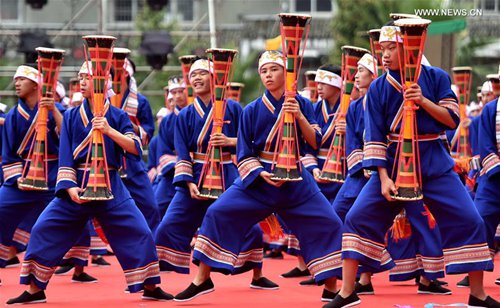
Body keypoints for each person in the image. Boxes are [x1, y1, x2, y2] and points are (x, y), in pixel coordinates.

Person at [327, 25, 498, 308]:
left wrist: (422, 101)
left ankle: (477, 294)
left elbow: (452, 119)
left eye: (391, 48)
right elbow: (375, 135)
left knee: (472, 220)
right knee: (356, 217)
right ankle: (347, 292)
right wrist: (382, 178)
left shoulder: (436, 78)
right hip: (393, 166)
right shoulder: (379, 88)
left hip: (434, 163)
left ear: (410, 48)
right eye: (381, 49)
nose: (384, 55)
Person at [173, 51, 343, 303]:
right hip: (259, 180)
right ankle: (202, 279)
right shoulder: (252, 109)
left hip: (296, 179)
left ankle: (331, 286)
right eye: (263, 71)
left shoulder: (305, 104)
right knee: (217, 211)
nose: (267, 76)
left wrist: (297, 115)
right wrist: (261, 172)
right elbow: (244, 152)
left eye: (273, 70)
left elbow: (315, 141)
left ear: (286, 74)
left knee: (329, 222)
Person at [6, 62, 173, 305]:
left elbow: (136, 147)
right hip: (77, 185)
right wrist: (69, 187)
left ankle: (149, 285)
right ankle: (34, 289)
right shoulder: (72, 115)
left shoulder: (117, 116)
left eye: (88, 77)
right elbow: (65, 155)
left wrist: (109, 131)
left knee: (140, 231)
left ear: (104, 83)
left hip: (111, 185)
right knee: (44, 228)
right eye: (80, 77)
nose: (82, 81)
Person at [154, 59, 276, 294]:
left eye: (202, 73)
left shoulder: (234, 108)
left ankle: (257, 274)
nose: (197, 78)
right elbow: (181, 152)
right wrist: (187, 181)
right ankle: (154, 281)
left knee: (250, 227)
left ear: (215, 78)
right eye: (193, 75)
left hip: (227, 171)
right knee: (169, 223)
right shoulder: (186, 115)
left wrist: (230, 141)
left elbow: (252, 143)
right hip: (196, 174)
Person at [0, 65, 62, 270]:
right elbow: (8, 153)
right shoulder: (13, 116)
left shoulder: (57, 110)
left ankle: (75, 263)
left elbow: (68, 138)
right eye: (15, 80)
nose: (16, 84)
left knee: (75, 218)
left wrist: (53, 109)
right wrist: (18, 179)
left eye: (21, 80)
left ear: (36, 85)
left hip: (52, 176)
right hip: (21, 178)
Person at [154, 76, 188, 217]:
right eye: (174, 92)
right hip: (172, 173)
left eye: (181, 91)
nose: (178, 96)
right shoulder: (167, 121)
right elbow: (163, 151)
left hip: (198, 170)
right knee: (157, 204)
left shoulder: (194, 114)